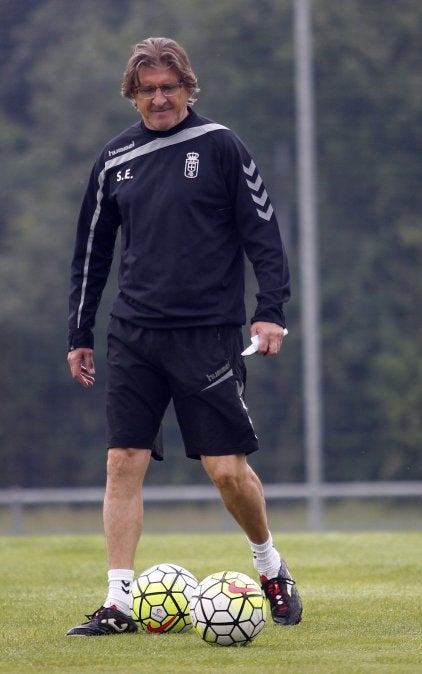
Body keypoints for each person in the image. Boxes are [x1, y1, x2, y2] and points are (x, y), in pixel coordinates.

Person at [66, 36, 302, 636]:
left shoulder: (221, 146)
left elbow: (264, 234)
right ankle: (118, 603)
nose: (159, 98)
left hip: (207, 335)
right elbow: (91, 253)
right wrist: (80, 331)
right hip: (134, 333)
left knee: (226, 470)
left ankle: (269, 566)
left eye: (169, 87)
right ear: (132, 95)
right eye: (147, 90)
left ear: (188, 88)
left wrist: (270, 311)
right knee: (122, 462)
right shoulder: (115, 158)